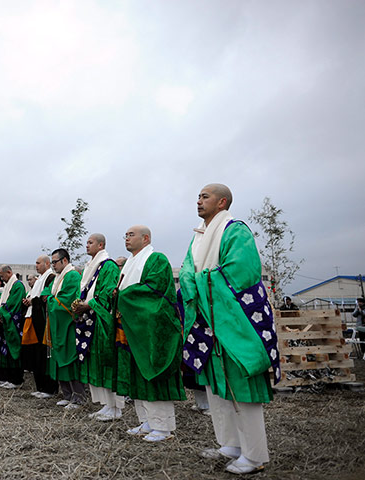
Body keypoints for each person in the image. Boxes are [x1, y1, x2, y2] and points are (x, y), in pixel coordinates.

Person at [180, 184, 280, 474]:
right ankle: (230, 444)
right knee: (216, 388)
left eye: (205, 196)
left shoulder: (236, 230)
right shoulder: (198, 237)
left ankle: (255, 454)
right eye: (198, 196)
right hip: (207, 324)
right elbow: (187, 270)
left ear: (222, 202)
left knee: (241, 388)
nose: (198, 201)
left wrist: (201, 281)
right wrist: (195, 280)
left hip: (234, 324)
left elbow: (241, 271)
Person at [116, 225, 185, 442]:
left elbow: (154, 290)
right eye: (125, 235)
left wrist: (123, 296)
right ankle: (146, 421)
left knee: (153, 372)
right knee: (137, 373)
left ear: (146, 238)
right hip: (133, 327)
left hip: (152, 328)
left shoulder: (157, 259)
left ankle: (163, 428)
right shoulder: (130, 263)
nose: (126, 238)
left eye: (131, 234)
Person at [71, 233, 122, 421]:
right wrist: (78, 305)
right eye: (86, 242)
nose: (87, 245)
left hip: (100, 320)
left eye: (90, 242)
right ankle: (106, 405)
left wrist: (89, 305)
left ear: (101, 245)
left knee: (104, 362)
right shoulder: (89, 267)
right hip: (87, 319)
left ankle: (116, 407)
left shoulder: (108, 265)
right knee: (93, 363)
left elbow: (108, 292)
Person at [47, 248, 86, 409]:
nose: (53, 266)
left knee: (70, 358)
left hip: (67, 324)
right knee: (59, 357)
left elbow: (68, 298)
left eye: (55, 262)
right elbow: (50, 294)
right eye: (51, 263)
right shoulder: (57, 278)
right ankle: (67, 394)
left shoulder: (72, 275)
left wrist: (50, 300)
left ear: (64, 261)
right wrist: (50, 298)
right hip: (57, 324)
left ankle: (78, 397)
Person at [21, 255, 58, 398]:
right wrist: (29, 301)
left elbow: (45, 298)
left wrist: (33, 301)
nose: (36, 265)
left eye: (38, 263)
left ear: (47, 264)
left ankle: (49, 388)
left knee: (44, 354)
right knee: (35, 353)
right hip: (33, 318)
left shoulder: (50, 278)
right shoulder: (39, 279)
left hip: (43, 321)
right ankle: (40, 386)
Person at [0, 265, 26, 388]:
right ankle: (8, 378)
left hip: (14, 322)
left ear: (9, 272)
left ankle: (16, 380)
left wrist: (1, 311)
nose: (2, 279)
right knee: (6, 352)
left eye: (2, 276)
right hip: (6, 322)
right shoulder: (7, 286)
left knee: (14, 351)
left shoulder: (18, 285)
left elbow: (13, 304)